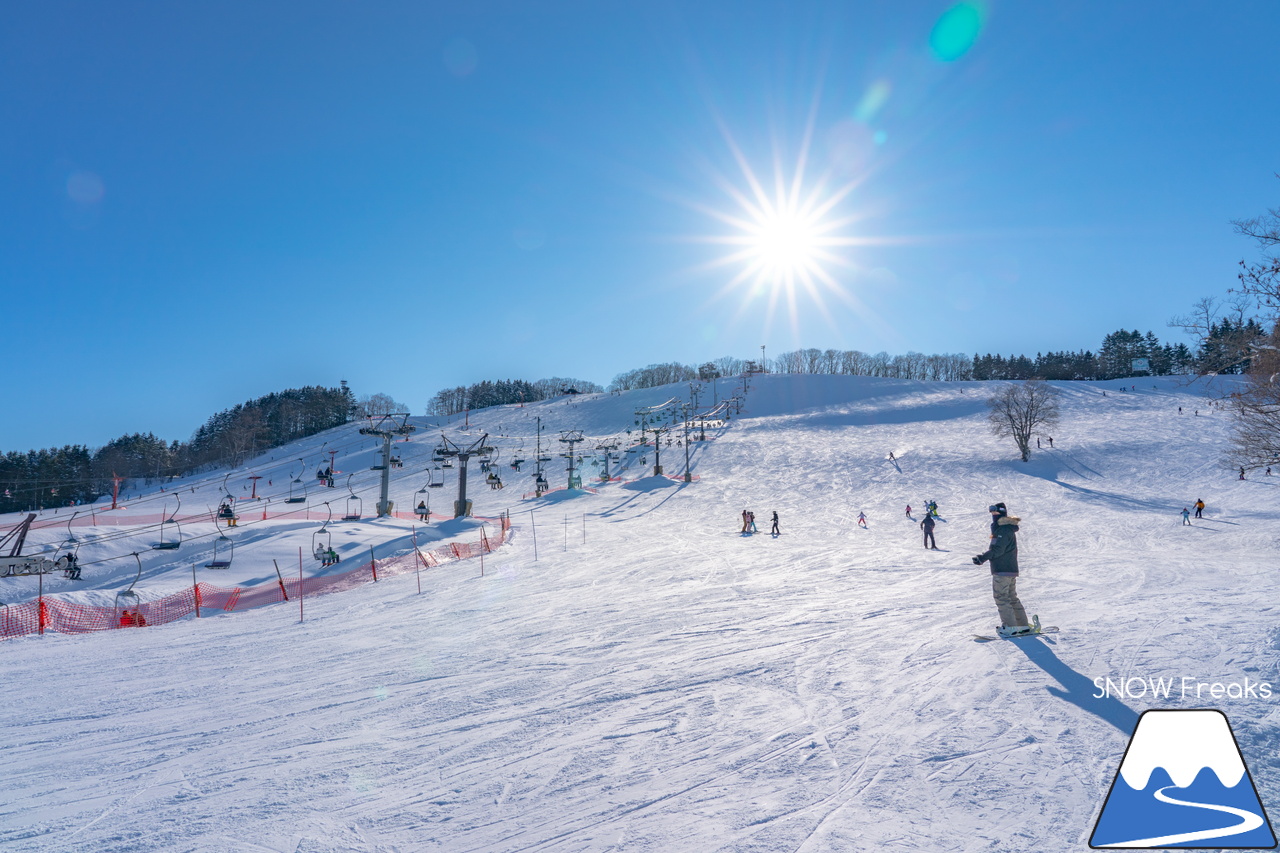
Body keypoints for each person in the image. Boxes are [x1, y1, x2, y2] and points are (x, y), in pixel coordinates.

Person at [971, 502, 1032, 637]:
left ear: (1002, 513)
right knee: (1011, 597)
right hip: (1009, 569)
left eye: (995, 512)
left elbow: (998, 550)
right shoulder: (1005, 528)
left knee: (1002, 598)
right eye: (991, 512)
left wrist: (982, 558)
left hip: (1002, 569)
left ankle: (1010, 627)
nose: (993, 514)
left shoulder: (1002, 529)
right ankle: (1022, 626)